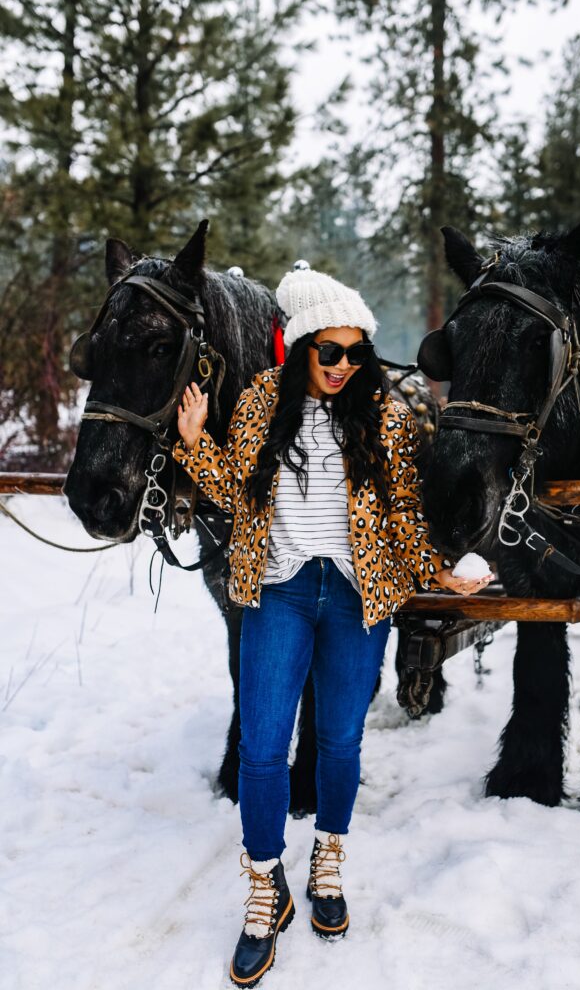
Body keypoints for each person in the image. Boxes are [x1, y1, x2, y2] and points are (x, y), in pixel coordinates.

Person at [173, 265, 491, 987]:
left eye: (357, 353)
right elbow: (231, 490)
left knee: (340, 741)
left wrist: (439, 571)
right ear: (303, 345)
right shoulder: (260, 403)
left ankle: (328, 859)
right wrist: (195, 441)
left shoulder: (384, 417)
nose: (345, 366)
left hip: (356, 599)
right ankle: (264, 888)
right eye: (332, 352)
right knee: (261, 748)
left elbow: (406, 512)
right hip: (280, 592)